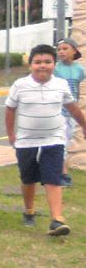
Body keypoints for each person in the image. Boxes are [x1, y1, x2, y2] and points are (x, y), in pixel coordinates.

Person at [5, 44, 86, 235]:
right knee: (28, 178)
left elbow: (72, 108)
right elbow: (10, 110)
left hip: (54, 139)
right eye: (38, 62)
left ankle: (57, 220)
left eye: (48, 62)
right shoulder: (20, 85)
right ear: (30, 65)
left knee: (53, 178)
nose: (43, 65)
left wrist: (84, 125)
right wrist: (11, 135)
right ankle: (29, 211)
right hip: (26, 141)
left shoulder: (61, 84)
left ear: (54, 65)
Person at [55, 38, 83, 186]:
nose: (61, 52)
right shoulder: (55, 69)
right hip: (57, 111)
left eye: (65, 48)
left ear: (74, 51)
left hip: (71, 112)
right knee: (61, 143)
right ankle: (63, 173)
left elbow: (76, 89)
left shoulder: (80, 70)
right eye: (59, 49)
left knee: (66, 142)